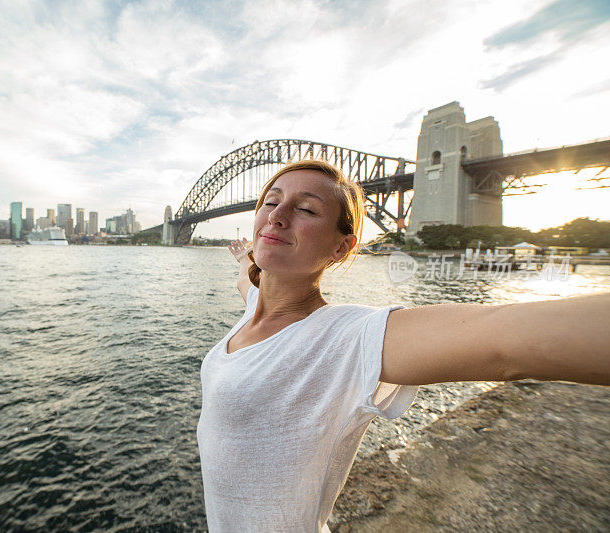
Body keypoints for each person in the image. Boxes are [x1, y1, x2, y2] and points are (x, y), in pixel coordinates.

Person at [195, 159, 610, 533]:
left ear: (342, 247)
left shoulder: (346, 338)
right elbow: (250, 282)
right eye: (270, 201)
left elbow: (504, 341)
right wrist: (248, 260)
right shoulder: (255, 305)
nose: (278, 216)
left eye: (306, 209)